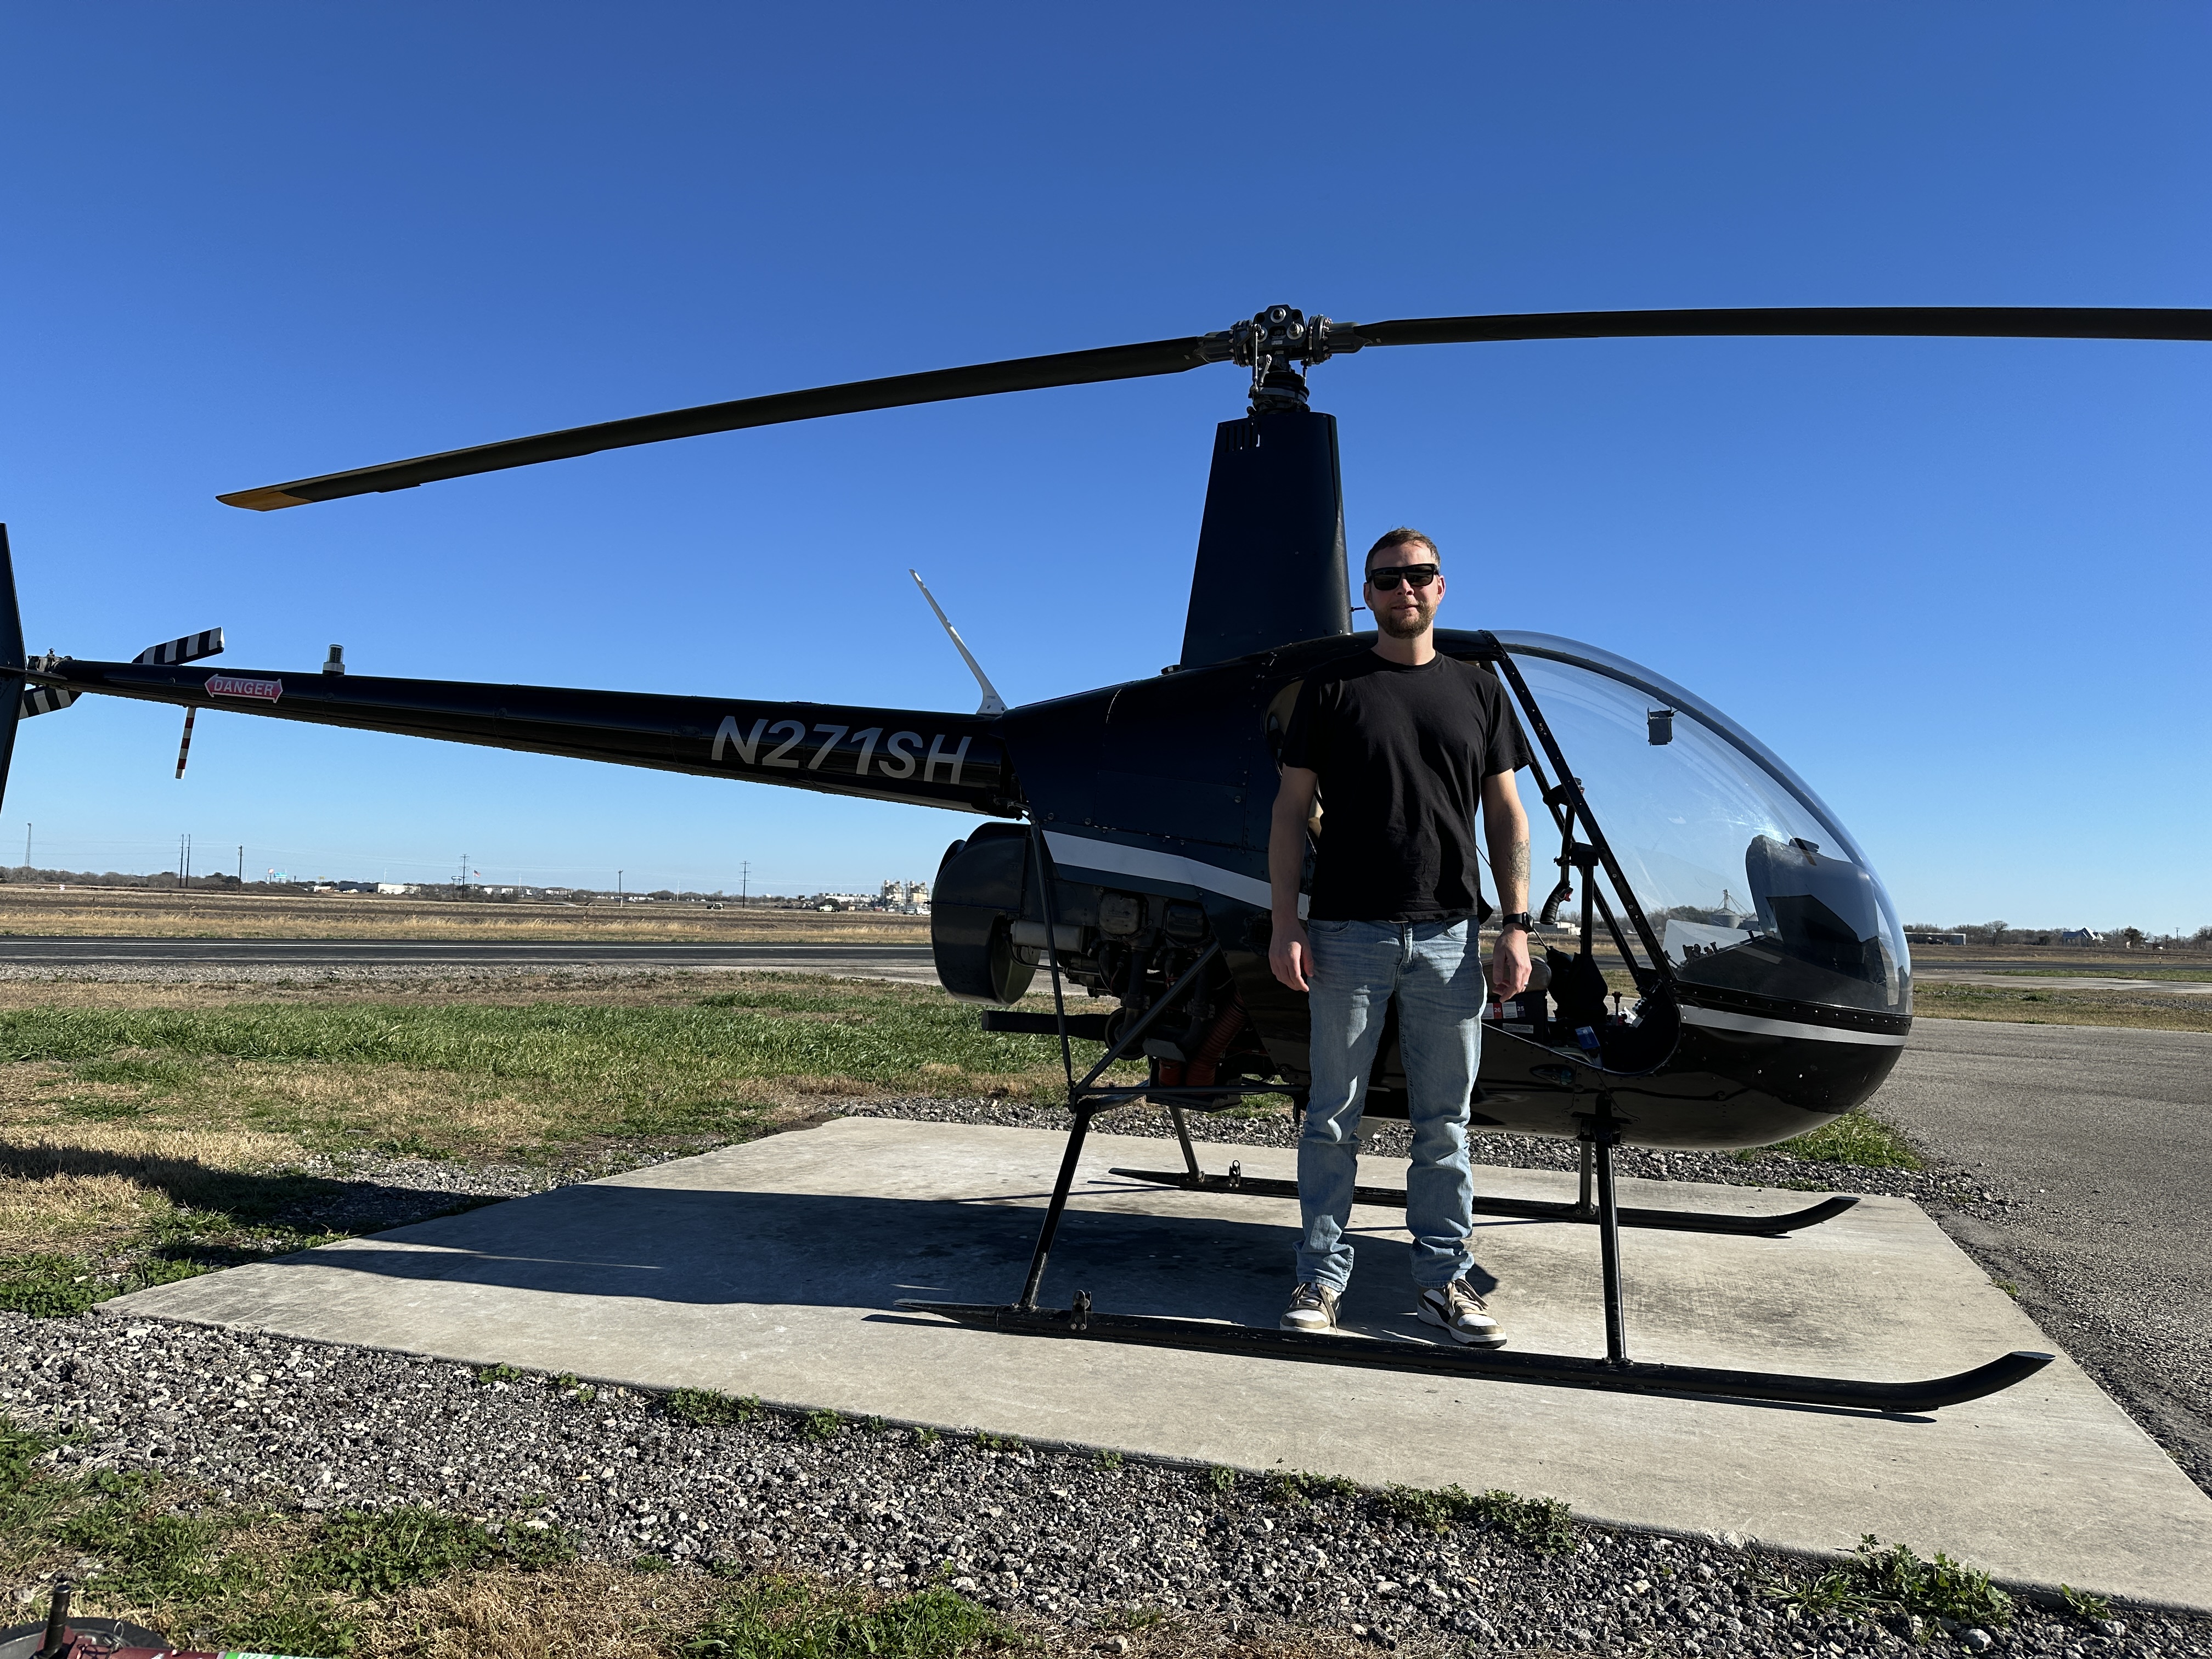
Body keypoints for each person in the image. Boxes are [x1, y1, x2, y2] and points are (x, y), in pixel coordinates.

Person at [1266, 527, 1533, 1344]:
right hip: (1347, 931)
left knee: (1443, 1123)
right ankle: (1319, 1278)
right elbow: (1289, 812)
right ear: (1370, 595)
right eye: (1386, 579)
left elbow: (1505, 811)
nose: (1403, 589)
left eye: (1418, 576)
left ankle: (1443, 1283)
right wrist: (1287, 921)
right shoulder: (1331, 688)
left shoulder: (1480, 691)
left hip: (1451, 935)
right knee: (1330, 1117)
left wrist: (1515, 925)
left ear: (1441, 587)